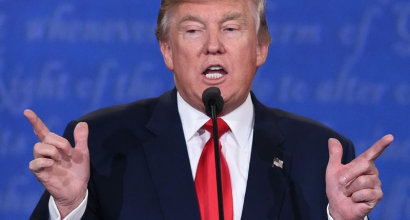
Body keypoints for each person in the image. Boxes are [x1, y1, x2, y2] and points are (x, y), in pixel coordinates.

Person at [25, 0, 393, 219]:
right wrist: (70, 206)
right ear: (167, 50)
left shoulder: (320, 153)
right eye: (193, 31)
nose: (213, 46)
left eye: (231, 28)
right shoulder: (102, 144)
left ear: (261, 48)